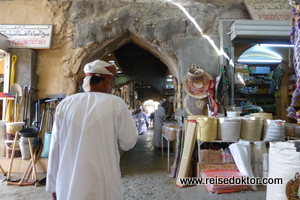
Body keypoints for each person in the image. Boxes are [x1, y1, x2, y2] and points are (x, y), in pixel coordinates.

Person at [46, 60, 137, 200]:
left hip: (69, 184)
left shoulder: (65, 104)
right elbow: (128, 142)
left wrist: (52, 185)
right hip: (103, 183)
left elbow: (55, 148)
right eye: (112, 81)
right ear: (107, 81)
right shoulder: (115, 103)